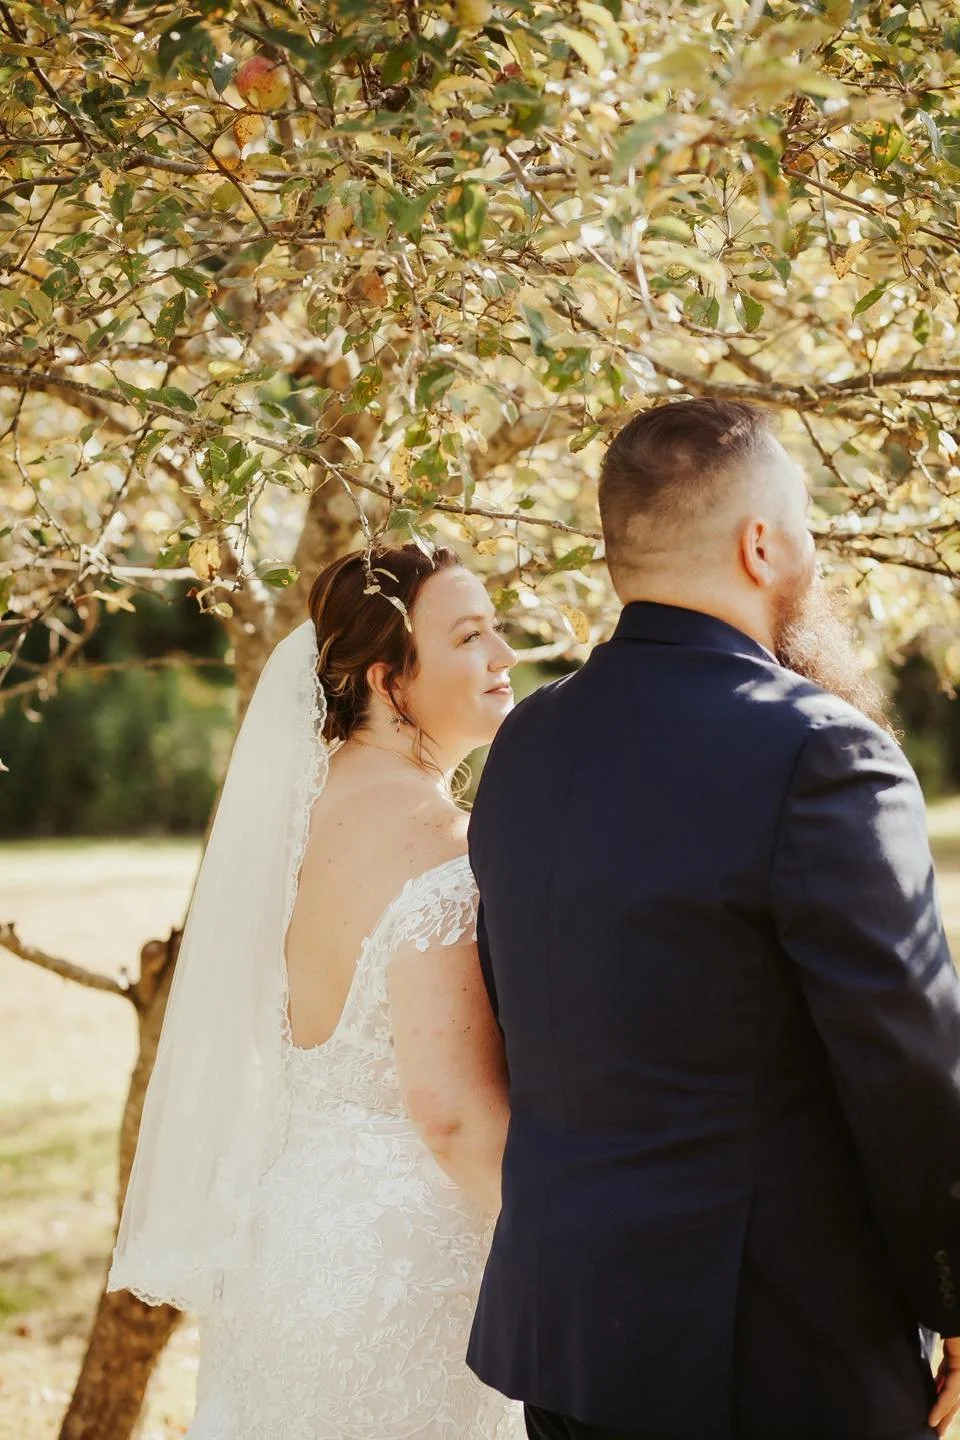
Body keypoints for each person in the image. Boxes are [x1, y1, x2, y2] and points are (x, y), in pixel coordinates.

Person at [467, 398, 960, 1440]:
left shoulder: (524, 749)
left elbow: (527, 1019)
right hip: (771, 1349)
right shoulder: (823, 752)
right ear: (761, 543)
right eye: (810, 532)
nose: (814, 557)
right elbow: (906, 1060)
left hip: (567, 1337)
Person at [108, 543, 523, 1439]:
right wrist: (564, 1250)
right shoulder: (445, 845)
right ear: (389, 677)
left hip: (289, 1242)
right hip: (418, 1275)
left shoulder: (291, 823)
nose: (505, 655)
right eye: (470, 636)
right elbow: (447, 1110)